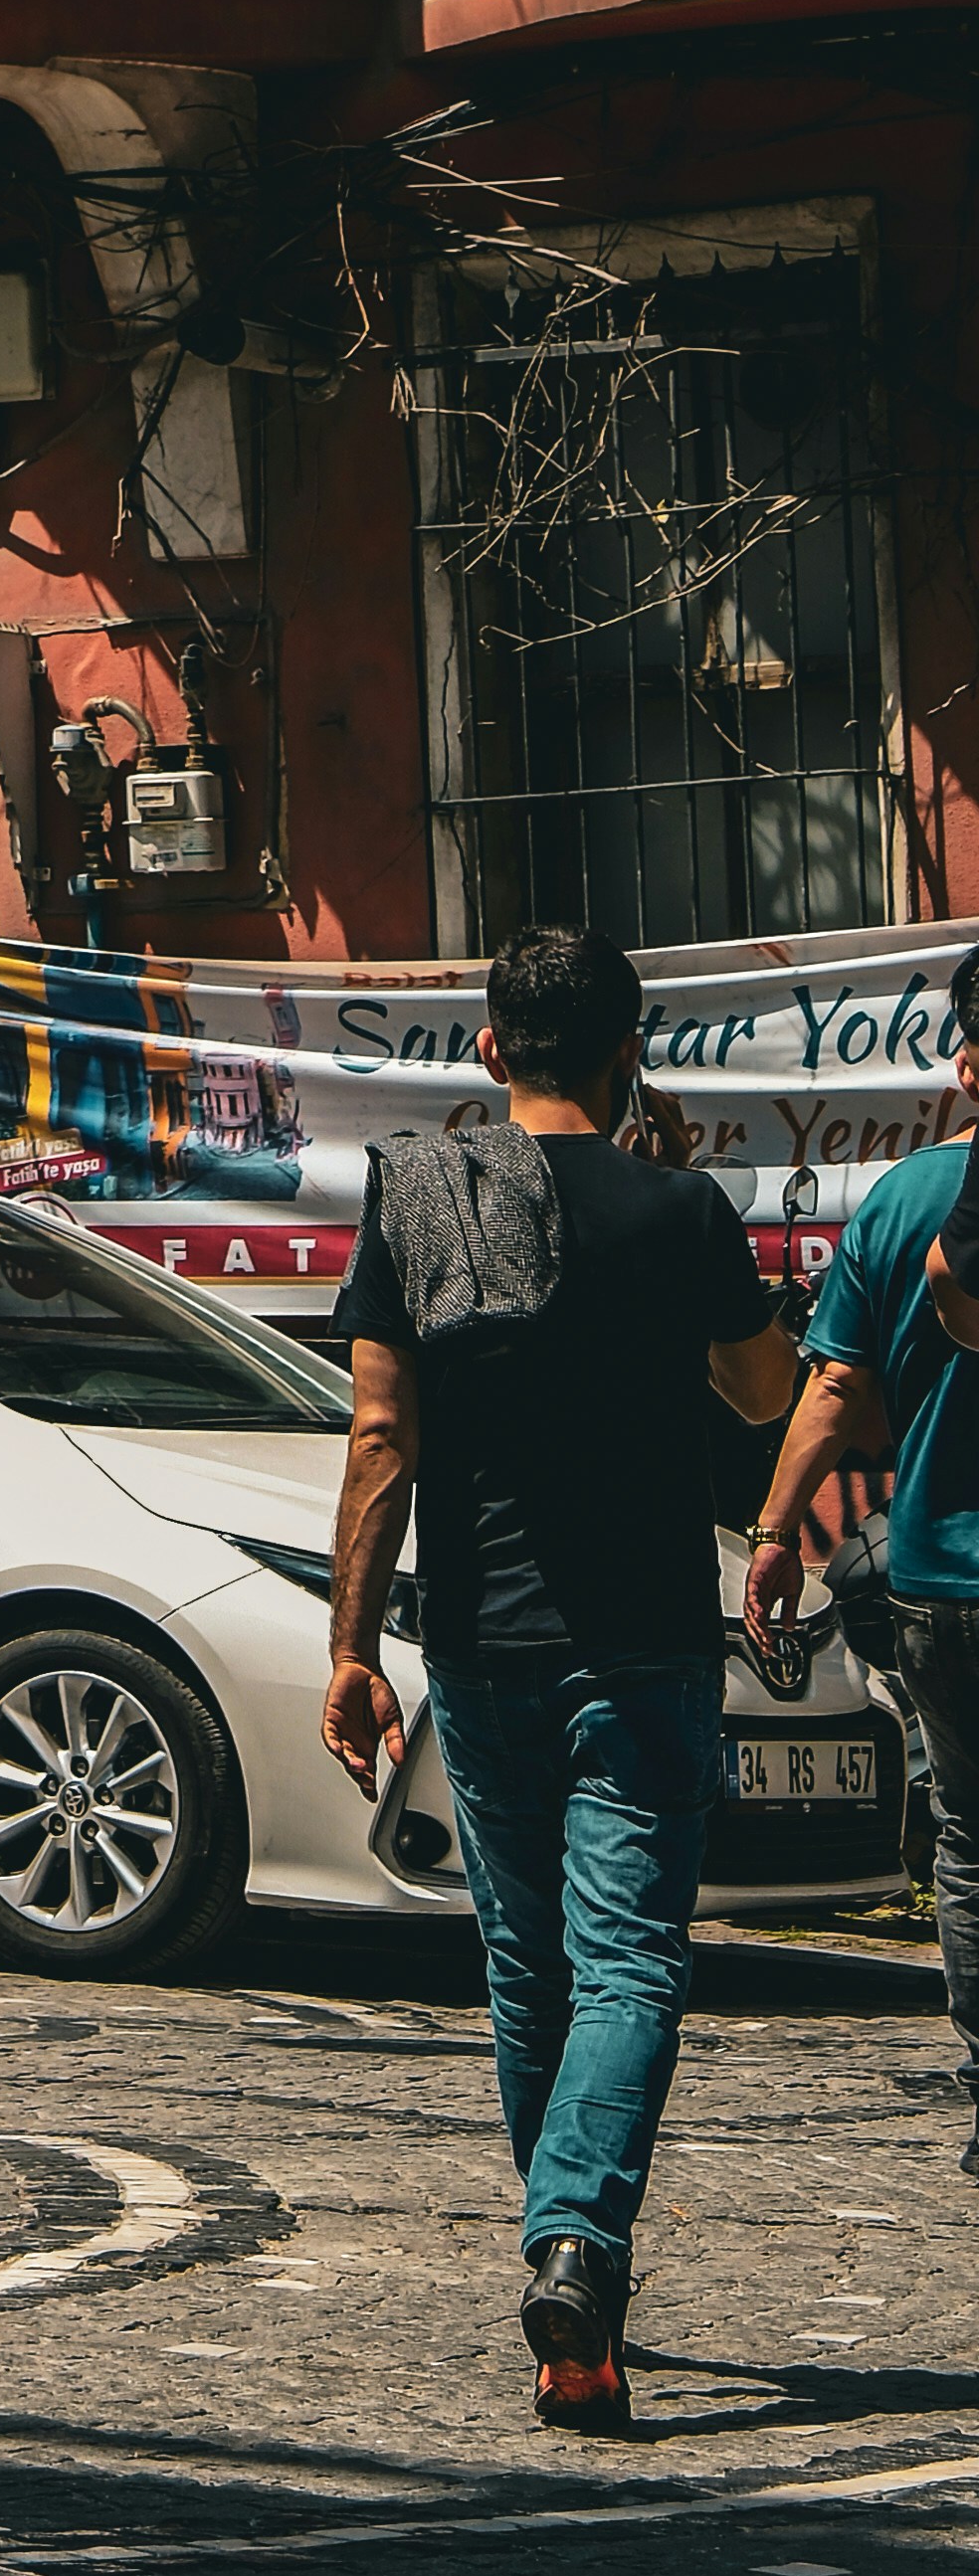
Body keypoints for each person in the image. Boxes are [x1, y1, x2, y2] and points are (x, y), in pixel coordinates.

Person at [323, 922, 803, 2426]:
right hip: (646, 1638)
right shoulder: (679, 1210)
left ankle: (571, 2297)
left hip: (480, 1640)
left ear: (485, 1047)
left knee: (530, 1964)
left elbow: (380, 1441)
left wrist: (350, 1646)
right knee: (636, 1957)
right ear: (630, 1049)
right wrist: (673, 1209)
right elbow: (766, 1391)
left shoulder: (418, 1200)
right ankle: (580, 2246)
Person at [747, 1079, 979, 2161]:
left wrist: (771, 1531)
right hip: (935, 1573)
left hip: (938, 1571)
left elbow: (834, 1383)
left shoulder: (902, 1199)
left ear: (965, 1066)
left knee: (970, 1836)